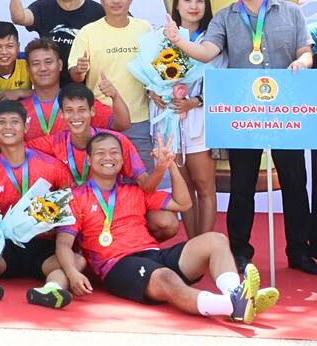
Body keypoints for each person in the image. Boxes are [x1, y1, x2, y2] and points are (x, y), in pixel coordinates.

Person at [166, 0, 316, 274]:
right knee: (243, 183)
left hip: (286, 108)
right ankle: (239, 251)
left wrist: (301, 62)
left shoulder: (290, 12)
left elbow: (305, 51)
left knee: (293, 180)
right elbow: (207, 52)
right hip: (243, 111)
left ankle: (299, 252)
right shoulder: (223, 17)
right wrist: (180, 41)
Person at [56, 132, 276, 323]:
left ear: (123, 159)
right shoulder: (74, 197)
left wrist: (169, 165)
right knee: (165, 277)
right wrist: (72, 273)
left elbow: (183, 203)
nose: (108, 158)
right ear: (88, 160)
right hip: (117, 264)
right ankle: (230, 305)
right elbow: (64, 244)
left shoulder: (135, 190)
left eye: (114, 152)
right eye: (101, 153)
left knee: (215, 239)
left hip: (153, 254)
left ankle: (236, 293)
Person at [0, 100, 78, 309]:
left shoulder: (52, 167)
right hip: (6, 249)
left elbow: (72, 208)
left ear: (26, 127)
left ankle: (52, 290)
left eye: (15, 122)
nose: (8, 127)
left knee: (76, 261)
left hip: (44, 247)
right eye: (1, 123)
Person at [68, 0, 155, 182]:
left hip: (139, 120)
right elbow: (75, 76)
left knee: (143, 183)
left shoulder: (145, 28)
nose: (116, 1)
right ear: (101, 0)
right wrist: (79, 70)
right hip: (102, 120)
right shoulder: (87, 33)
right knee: (105, 183)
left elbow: (155, 72)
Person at [158, 0, 220, 238]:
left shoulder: (214, 38)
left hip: (200, 122)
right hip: (171, 120)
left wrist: (197, 101)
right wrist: (153, 92)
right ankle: (193, 245)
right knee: (183, 190)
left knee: (205, 187)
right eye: (187, 0)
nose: (194, 6)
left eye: (200, 0)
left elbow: (221, 78)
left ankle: (206, 245)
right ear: (177, 5)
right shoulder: (162, 37)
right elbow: (151, 75)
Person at [28, 84, 149, 188]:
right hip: (73, 206)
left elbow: (143, 181)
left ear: (92, 111)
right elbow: (19, 151)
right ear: (62, 114)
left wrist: (162, 168)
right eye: (69, 110)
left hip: (111, 207)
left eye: (82, 110)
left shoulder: (116, 141)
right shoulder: (55, 142)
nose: (76, 117)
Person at [9, 0, 105, 81]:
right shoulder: (43, 8)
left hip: (86, 91)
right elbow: (20, 18)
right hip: (50, 89)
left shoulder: (98, 11)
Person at [21, 38, 131, 140]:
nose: (43, 68)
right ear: (28, 69)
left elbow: (122, 124)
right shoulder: (20, 108)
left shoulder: (79, 100)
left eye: (48, 62)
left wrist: (115, 97)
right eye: (36, 64)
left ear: (59, 65)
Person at [0, 22, 32, 100]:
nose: (4, 52)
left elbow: (47, 91)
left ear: (18, 47)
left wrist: (20, 92)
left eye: (10, 46)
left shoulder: (29, 61)